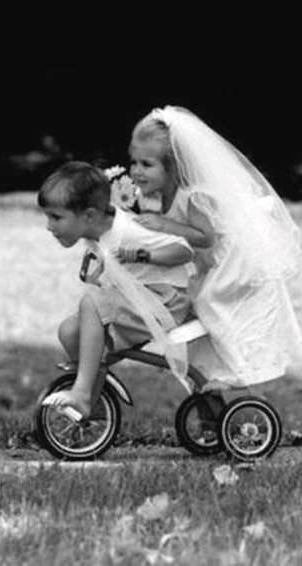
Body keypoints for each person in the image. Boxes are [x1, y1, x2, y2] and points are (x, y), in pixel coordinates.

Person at [129, 106, 302, 389]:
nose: (136, 171)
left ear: (173, 167)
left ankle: (239, 373)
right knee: (196, 312)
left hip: (232, 260)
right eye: (134, 162)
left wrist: (165, 226)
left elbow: (205, 237)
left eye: (146, 164)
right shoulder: (157, 196)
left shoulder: (195, 196)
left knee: (209, 302)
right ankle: (210, 372)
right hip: (209, 262)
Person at [38, 161, 195, 418]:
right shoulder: (94, 232)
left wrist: (143, 255)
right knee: (69, 331)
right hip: (138, 298)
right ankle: (94, 399)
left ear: (89, 216)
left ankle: (82, 393)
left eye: (56, 217)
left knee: (91, 303)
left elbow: (184, 249)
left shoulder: (130, 231)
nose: (48, 225)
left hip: (166, 301)